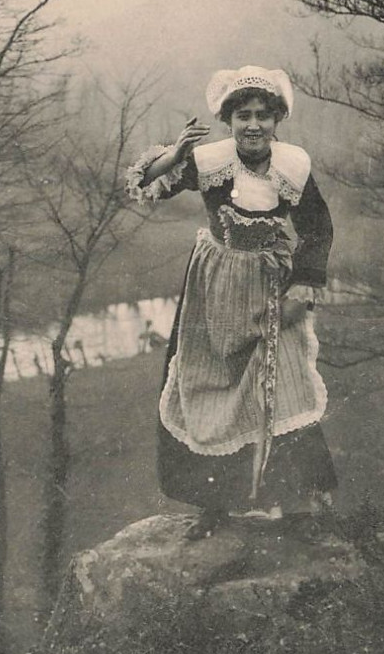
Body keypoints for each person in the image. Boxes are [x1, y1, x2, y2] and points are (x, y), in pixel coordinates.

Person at [126, 66, 337, 539]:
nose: (254, 126)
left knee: (284, 385)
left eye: (264, 115)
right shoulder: (209, 162)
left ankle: (297, 500)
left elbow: (319, 229)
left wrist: (303, 287)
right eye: (243, 116)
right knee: (207, 386)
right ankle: (214, 504)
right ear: (228, 120)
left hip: (270, 286)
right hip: (214, 286)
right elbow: (142, 186)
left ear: (278, 118)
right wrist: (173, 156)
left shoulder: (293, 166)